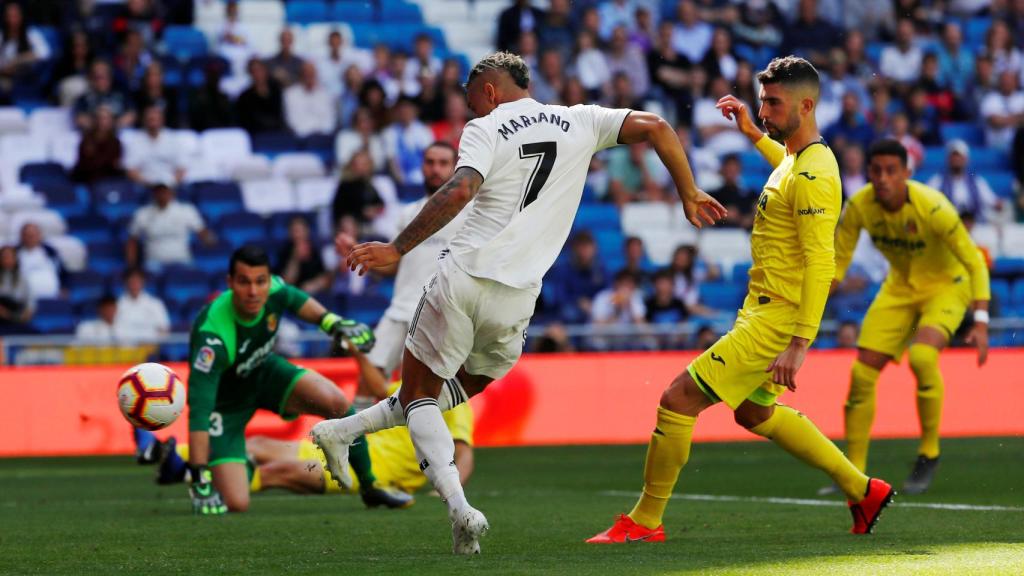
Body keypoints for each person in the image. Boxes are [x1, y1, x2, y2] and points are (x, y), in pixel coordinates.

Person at [311, 51, 725, 554]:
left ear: (488, 91)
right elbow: (658, 126)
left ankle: (457, 507)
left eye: (472, 101)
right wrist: (688, 191)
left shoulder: (485, 129)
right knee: (448, 392)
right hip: (519, 298)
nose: (473, 110)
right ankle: (343, 432)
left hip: (463, 278)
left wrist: (397, 247)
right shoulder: (582, 120)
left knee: (420, 396)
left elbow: (461, 188)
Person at [587, 56, 894, 545]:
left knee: (677, 399)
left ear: (807, 104)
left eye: (773, 103)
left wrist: (799, 344)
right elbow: (788, 169)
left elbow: (821, 264)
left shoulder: (816, 173)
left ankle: (645, 521)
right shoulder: (801, 160)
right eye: (762, 100)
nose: (765, 109)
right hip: (763, 308)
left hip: (776, 319)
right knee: (753, 412)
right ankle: (863, 489)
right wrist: (754, 133)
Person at [183, 245, 411, 515]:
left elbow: (296, 301)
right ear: (230, 282)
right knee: (236, 503)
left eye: (260, 281)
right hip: (226, 405)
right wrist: (198, 478)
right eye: (244, 282)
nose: (254, 291)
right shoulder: (212, 336)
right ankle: (209, 467)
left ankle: (370, 487)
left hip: (265, 373)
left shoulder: (275, 290)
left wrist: (332, 322)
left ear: (269, 280)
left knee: (337, 403)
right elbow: (199, 411)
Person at [828, 138, 990, 496]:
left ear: (906, 173)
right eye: (876, 171)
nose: (883, 178)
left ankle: (929, 452)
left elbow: (974, 260)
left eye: (891, 171)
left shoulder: (933, 207)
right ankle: (853, 472)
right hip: (899, 288)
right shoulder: (858, 206)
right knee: (861, 372)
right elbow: (838, 261)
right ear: (868, 173)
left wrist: (980, 321)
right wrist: (819, 294)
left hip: (947, 286)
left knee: (922, 356)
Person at [158, 334, 475, 497]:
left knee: (278, 471)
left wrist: (448, 491)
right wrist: (355, 350)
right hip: (348, 448)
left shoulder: (454, 400)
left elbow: (464, 453)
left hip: (375, 473)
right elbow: (378, 386)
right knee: (257, 443)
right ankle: (174, 455)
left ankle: (190, 474)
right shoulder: (411, 386)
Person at [335, 142, 466, 409]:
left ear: (455, 168)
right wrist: (360, 253)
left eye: (443, 163)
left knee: (432, 391)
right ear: (422, 167)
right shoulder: (408, 213)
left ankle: (441, 448)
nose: (435, 169)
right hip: (400, 309)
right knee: (368, 379)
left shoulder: (469, 214)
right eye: (430, 162)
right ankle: (358, 445)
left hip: (440, 313)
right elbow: (395, 266)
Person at [126, 183, 215, 272]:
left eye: (165, 192)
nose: (162, 195)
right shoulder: (142, 213)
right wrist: (132, 265)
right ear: (154, 194)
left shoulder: (186, 210)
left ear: (171, 193)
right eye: (159, 192)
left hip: (181, 260)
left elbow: (201, 231)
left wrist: (210, 240)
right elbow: (132, 240)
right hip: (153, 262)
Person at [925, 139, 1002, 223]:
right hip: (947, 227)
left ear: (966, 159)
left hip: (974, 227)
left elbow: (992, 201)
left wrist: (1000, 205)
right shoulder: (937, 180)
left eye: (959, 156)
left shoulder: (976, 180)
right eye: (953, 156)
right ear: (948, 159)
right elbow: (925, 201)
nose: (956, 159)